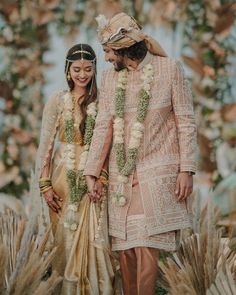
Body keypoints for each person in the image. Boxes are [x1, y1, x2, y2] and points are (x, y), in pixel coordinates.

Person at [84, 13, 197, 295]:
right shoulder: (111, 80)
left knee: (147, 248)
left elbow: (186, 121)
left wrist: (187, 169)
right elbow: (103, 128)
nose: (107, 59)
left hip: (158, 173)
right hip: (123, 177)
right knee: (126, 253)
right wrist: (91, 172)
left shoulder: (169, 69)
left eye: (109, 52)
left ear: (123, 49)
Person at [35, 44, 115, 294]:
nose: (83, 75)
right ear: (68, 71)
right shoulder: (57, 100)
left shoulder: (102, 101)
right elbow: (46, 145)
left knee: (94, 237)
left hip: (92, 175)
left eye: (88, 69)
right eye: (77, 69)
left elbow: (108, 143)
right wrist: (45, 184)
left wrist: (101, 177)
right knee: (65, 237)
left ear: (94, 69)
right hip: (62, 177)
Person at [213, 123, 236, 216]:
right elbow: (224, 170)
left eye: (234, 139)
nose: (233, 141)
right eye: (231, 139)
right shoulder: (221, 150)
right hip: (228, 178)